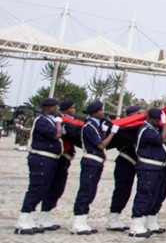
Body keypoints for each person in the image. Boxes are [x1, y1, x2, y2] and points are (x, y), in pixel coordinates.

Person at [15, 98, 63, 235]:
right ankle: (23, 220)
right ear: (49, 108)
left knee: (43, 189)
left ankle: (29, 218)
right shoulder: (42, 121)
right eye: (56, 107)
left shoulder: (48, 120)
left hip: (49, 159)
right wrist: (58, 124)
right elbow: (56, 134)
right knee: (36, 188)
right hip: (41, 158)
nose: (57, 109)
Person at [71, 100, 119, 234]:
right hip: (90, 161)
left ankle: (83, 220)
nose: (103, 113)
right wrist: (112, 133)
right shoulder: (89, 127)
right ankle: (77, 222)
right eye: (101, 111)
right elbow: (101, 145)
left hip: (96, 161)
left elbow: (100, 140)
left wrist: (104, 131)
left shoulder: (95, 126)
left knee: (91, 191)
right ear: (95, 112)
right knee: (86, 191)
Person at [129, 107, 166, 238]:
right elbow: (162, 139)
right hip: (147, 167)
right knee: (144, 194)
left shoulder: (152, 129)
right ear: (151, 118)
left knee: (153, 195)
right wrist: (165, 124)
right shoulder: (146, 130)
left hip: (156, 167)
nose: (159, 122)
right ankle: (136, 225)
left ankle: (145, 222)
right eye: (157, 120)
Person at [40, 99, 78, 232]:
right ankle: (44, 216)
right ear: (66, 109)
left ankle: (46, 215)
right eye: (72, 108)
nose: (74, 110)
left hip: (64, 158)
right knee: (54, 186)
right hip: (60, 157)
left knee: (58, 187)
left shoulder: (65, 121)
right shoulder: (62, 121)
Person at [108, 104, 144, 231]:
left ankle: (117, 216)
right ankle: (113, 217)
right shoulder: (123, 127)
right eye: (138, 113)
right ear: (131, 115)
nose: (140, 115)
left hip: (135, 161)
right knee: (121, 189)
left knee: (128, 190)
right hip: (125, 160)